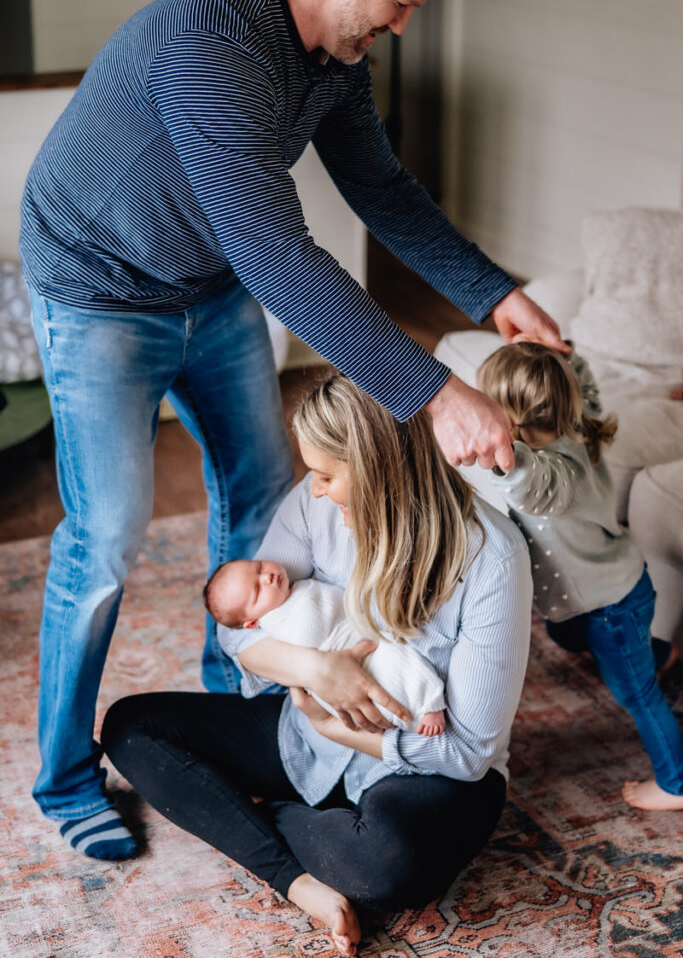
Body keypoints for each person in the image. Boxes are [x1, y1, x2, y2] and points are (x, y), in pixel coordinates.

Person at [21, 0, 563, 859]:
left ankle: (246, 700)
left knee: (265, 497)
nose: (403, 23)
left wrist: (492, 292)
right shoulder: (208, 42)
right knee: (107, 535)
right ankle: (66, 778)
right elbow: (279, 256)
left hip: (211, 281)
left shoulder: (334, 58)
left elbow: (381, 190)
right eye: (401, 3)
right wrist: (436, 393)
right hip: (99, 291)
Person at [102, 373, 532, 953]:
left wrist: (340, 729)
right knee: (131, 726)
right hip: (304, 734)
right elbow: (240, 629)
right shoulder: (313, 503)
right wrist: (316, 672)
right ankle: (299, 879)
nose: (317, 491)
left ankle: (258, 816)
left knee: (389, 868)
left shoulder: (492, 556)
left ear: (382, 468)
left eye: (329, 476)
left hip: (420, 768)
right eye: (314, 475)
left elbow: (470, 753)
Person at [477, 342, 683, 812]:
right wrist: (559, 350)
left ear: (509, 420)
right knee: (563, 630)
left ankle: (676, 782)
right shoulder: (577, 421)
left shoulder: (556, 476)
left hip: (609, 605)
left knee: (637, 693)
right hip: (612, 589)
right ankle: (661, 653)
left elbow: (528, 482)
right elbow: (582, 379)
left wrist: (495, 451)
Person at [205, 558, 447, 735]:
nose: (266, 577)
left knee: (400, 659)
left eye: (258, 568)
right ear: (253, 622)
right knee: (391, 673)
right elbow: (310, 633)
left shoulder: (289, 590)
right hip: (344, 656)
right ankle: (426, 709)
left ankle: (424, 710)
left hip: (358, 640)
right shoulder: (277, 621)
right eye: (257, 591)